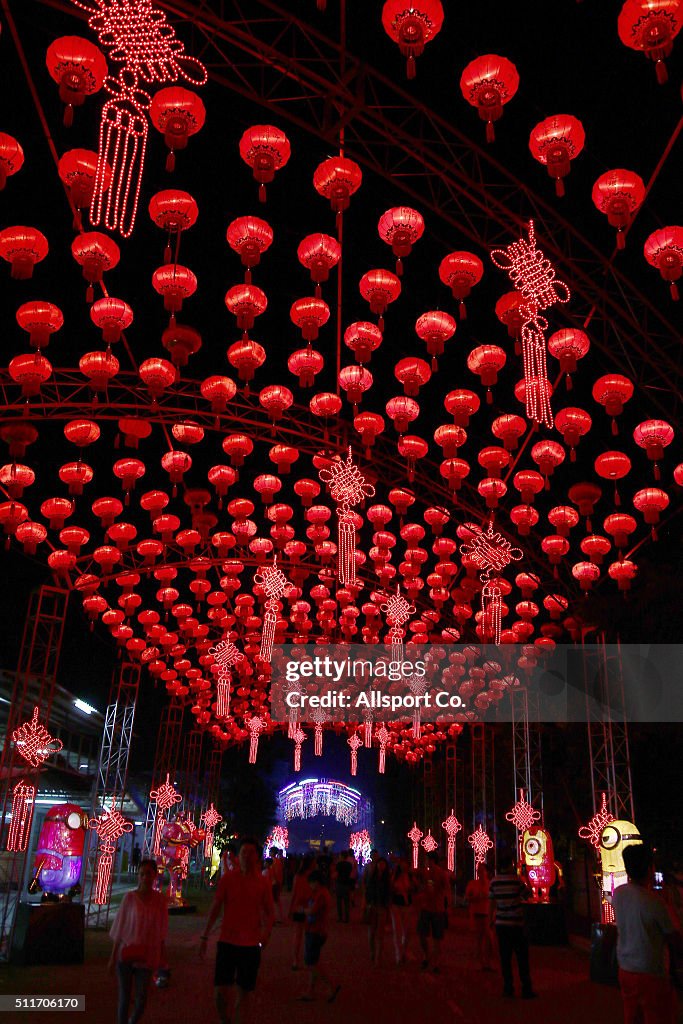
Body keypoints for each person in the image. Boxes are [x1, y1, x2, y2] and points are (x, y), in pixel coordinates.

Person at [200, 838, 274, 1024]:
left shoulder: (263, 883)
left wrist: (266, 934)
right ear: (238, 856)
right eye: (243, 852)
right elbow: (216, 907)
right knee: (220, 993)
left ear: (257, 857)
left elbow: (270, 912)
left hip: (250, 945)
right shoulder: (228, 879)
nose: (246, 856)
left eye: (250, 853)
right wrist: (205, 935)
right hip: (227, 942)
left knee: (244, 993)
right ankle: (225, 1020)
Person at [612, 843, 682, 1024]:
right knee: (658, 1016)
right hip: (651, 972)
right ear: (650, 868)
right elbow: (674, 936)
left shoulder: (619, 894)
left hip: (626, 969)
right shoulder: (655, 903)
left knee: (633, 1016)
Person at [108, 858, 168, 1024]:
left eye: (148, 874)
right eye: (141, 874)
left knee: (142, 998)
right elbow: (119, 927)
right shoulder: (129, 898)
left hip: (147, 956)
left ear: (155, 876)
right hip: (126, 953)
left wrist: (162, 958)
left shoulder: (160, 901)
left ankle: (132, 1021)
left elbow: (162, 931)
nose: (144, 878)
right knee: (124, 997)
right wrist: (113, 957)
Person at [489, 854, 536, 999]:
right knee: (522, 957)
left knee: (505, 958)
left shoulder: (494, 882)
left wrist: (492, 918)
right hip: (516, 924)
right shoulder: (517, 881)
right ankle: (526, 988)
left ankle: (508, 988)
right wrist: (525, 877)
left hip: (501, 924)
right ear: (509, 865)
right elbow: (528, 895)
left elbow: (491, 903)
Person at [298, 870, 341, 1003]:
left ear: (316, 882)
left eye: (311, 883)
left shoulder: (321, 894)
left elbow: (313, 910)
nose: (310, 885)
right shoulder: (321, 893)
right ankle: (311, 991)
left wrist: (302, 911)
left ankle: (331, 985)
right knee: (313, 961)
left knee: (312, 963)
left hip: (316, 930)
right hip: (316, 930)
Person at [415, 851, 450, 973]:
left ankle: (433, 960)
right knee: (432, 936)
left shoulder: (439, 874)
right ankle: (431, 958)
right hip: (430, 907)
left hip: (435, 908)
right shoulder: (427, 873)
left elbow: (445, 890)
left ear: (431, 860)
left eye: (427, 859)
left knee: (434, 937)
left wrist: (447, 906)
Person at [465, 863, 493, 970]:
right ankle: (482, 962)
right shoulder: (472, 884)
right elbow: (467, 897)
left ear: (486, 872)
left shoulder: (490, 885)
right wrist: (475, 897)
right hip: (477, 914)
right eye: (478, 870)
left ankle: (487, 961)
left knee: (489, 939)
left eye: (482, 870)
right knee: (479, 939)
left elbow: (493, 900)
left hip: (487, 914)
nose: (480, 872)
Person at [365, 856, 392, 965]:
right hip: (373, 906)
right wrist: (368, 903)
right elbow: (368, 891)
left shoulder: (387, 879)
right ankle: (373, 952)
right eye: (379, 864)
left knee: (380, 934)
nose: (381, 866)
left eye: (383, 864)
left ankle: (378, 956)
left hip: (382, 907)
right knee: (371, 933)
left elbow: (389, 893)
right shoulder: (373, 878)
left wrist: (387, 905)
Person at [289, 853, 315, 970]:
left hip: (299, 907)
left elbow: (294, 894)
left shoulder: (297, 876)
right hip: (310, 907)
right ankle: (308, 959)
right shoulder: (313, 877)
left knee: (298, 934)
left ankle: (295, 960)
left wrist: (290, 908)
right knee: (309, 934)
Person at [390, 857, 412, 965]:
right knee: (397, 930)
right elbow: (391, 888)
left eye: (405, 864)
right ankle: (399, 954)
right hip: (396, 904)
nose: (404, 866)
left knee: (407, 931)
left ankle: (405, 950)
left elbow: (414, 888)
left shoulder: (411, 876)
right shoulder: (395, 875)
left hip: (407, 905)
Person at [335, 850, 353, 923]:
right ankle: (347, 918)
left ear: (341, 856)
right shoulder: (349, 864)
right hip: (347, 883)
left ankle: (340, 917)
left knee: (339, 902)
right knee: (346, 902)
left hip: (339, 883)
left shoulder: (338, 864)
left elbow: (336, 873)